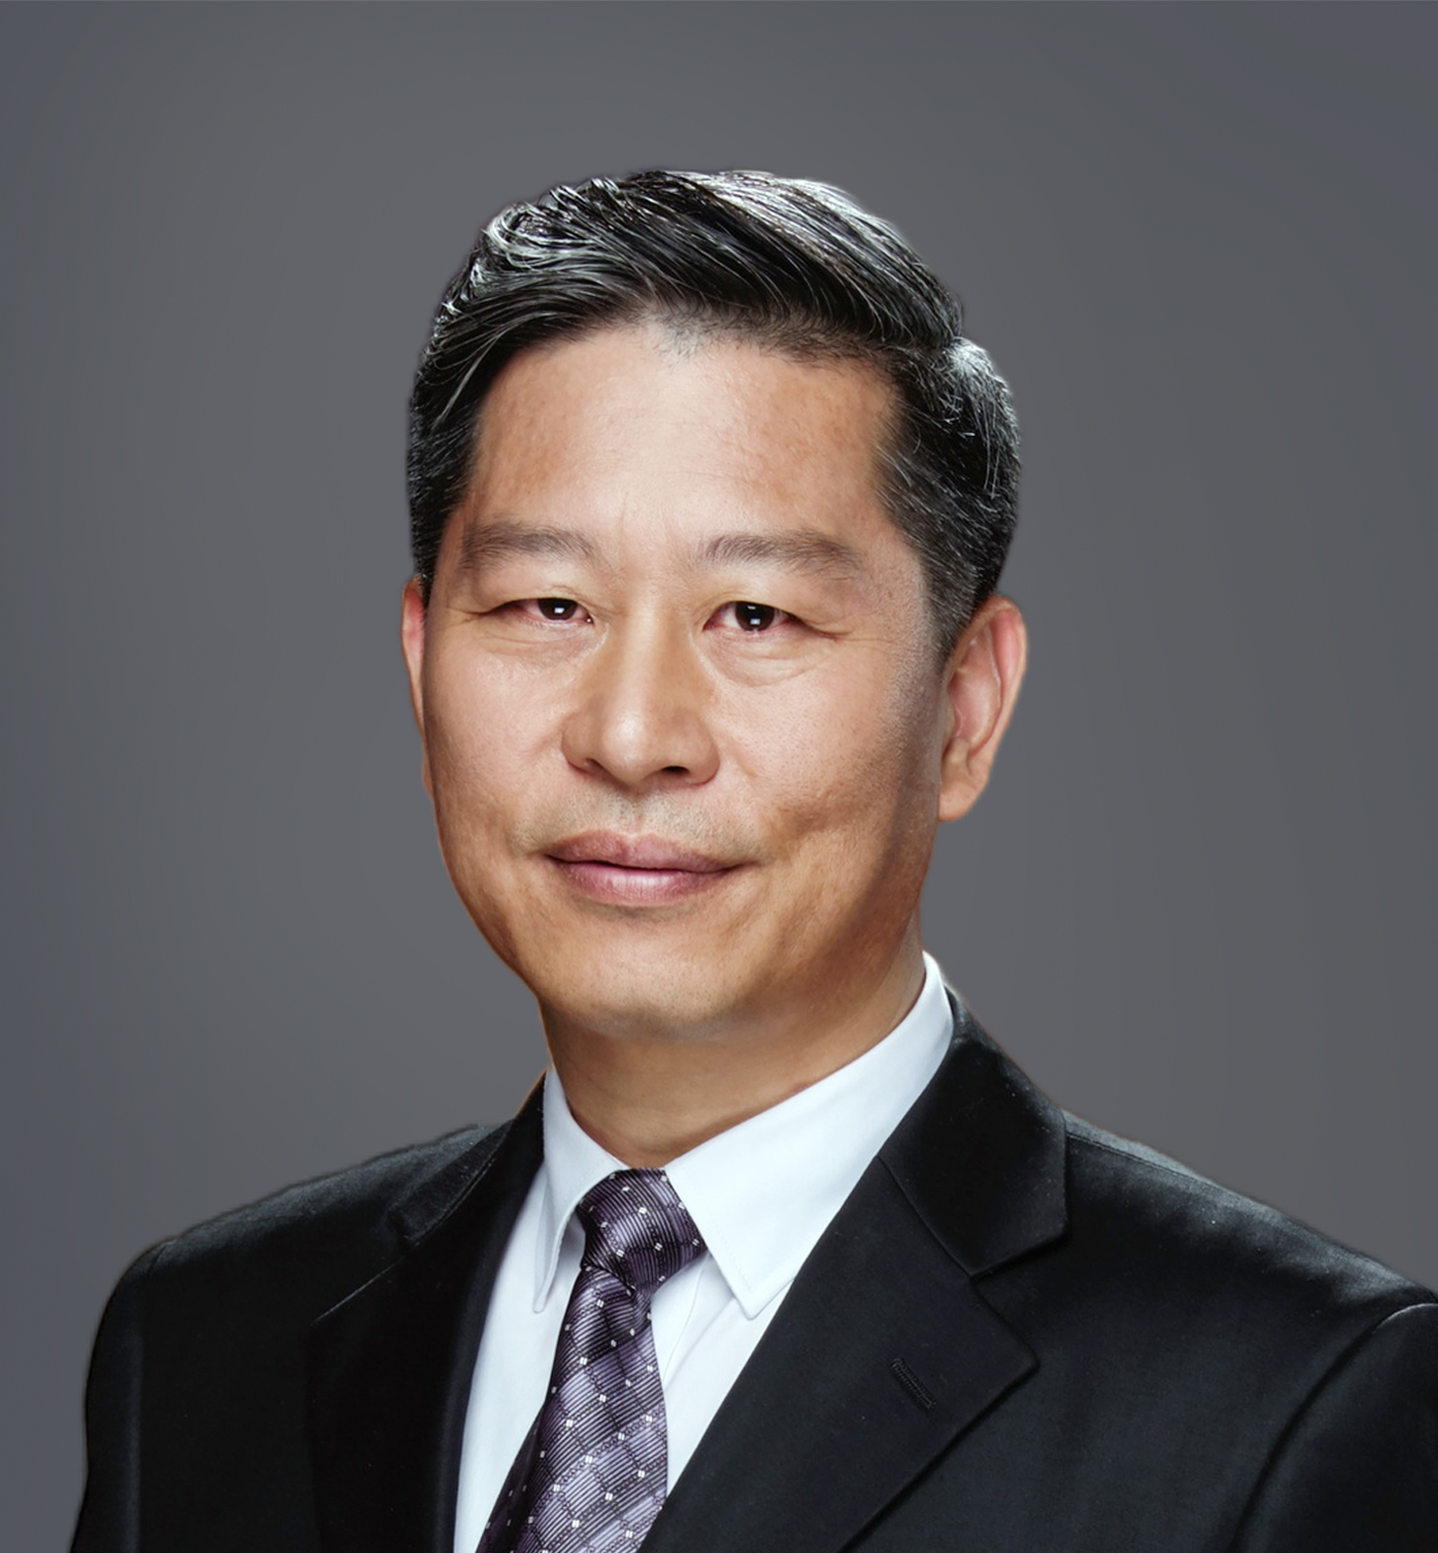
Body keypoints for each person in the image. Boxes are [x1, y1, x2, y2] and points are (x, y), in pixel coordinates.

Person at [71, 170, 1437, 1553]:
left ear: (965, 706)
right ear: (423, 669)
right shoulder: (198, 1346)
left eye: (756, 614)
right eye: (548, 603)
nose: (631, 735)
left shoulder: (1289, 1400)